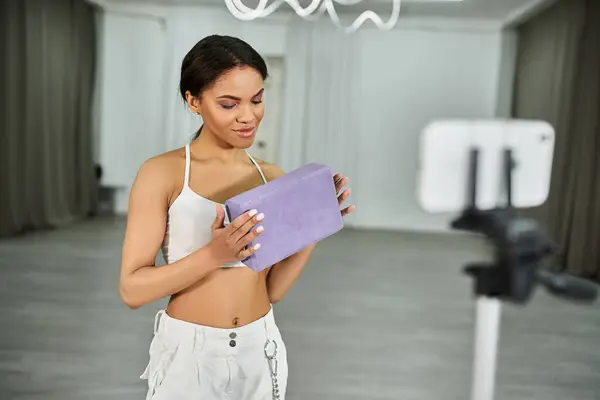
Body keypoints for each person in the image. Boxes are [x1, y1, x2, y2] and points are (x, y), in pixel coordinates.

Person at [118, 34, 355, 400]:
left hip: (261, 348)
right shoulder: (162, 174)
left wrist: (313, 227)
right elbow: (132, 290)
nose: (249, 116)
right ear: (193, 101)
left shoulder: (272, 178)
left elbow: (272, 290)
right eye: (229, 104)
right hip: (189, 355)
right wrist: (215, 254)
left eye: (257, 100)